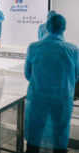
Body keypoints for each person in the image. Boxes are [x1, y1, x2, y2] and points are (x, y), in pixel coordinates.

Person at [24, 14, 79, 153]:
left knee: (34, 138)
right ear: (64, 28)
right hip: (61, 101)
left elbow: (28, 74)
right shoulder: (73, 50)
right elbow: (76, 75)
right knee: (59, 137)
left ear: (47, 27)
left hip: (38, 100)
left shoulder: (34, 47)